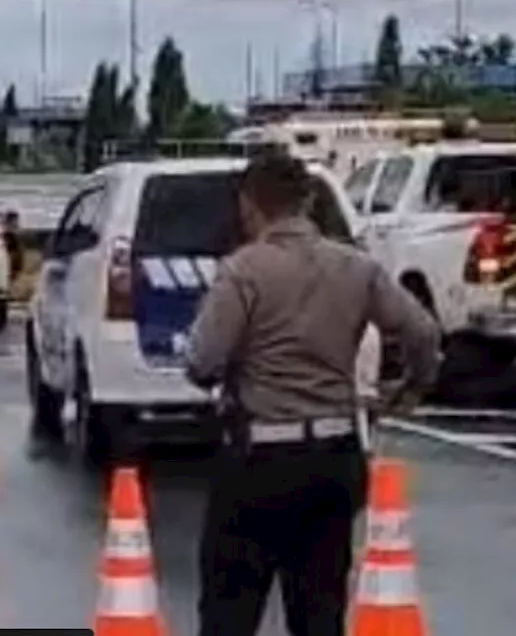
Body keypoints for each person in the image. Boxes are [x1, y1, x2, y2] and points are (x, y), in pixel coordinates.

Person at [185, 151, 440, 636]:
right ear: (307, 201)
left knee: (229, 611)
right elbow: (423, 333)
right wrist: (411, 387)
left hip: (258, 461)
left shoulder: (243, 271)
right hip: (334, 459)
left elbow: (203, 362)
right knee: (319, 613)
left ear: (248, 206)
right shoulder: (356, 268)